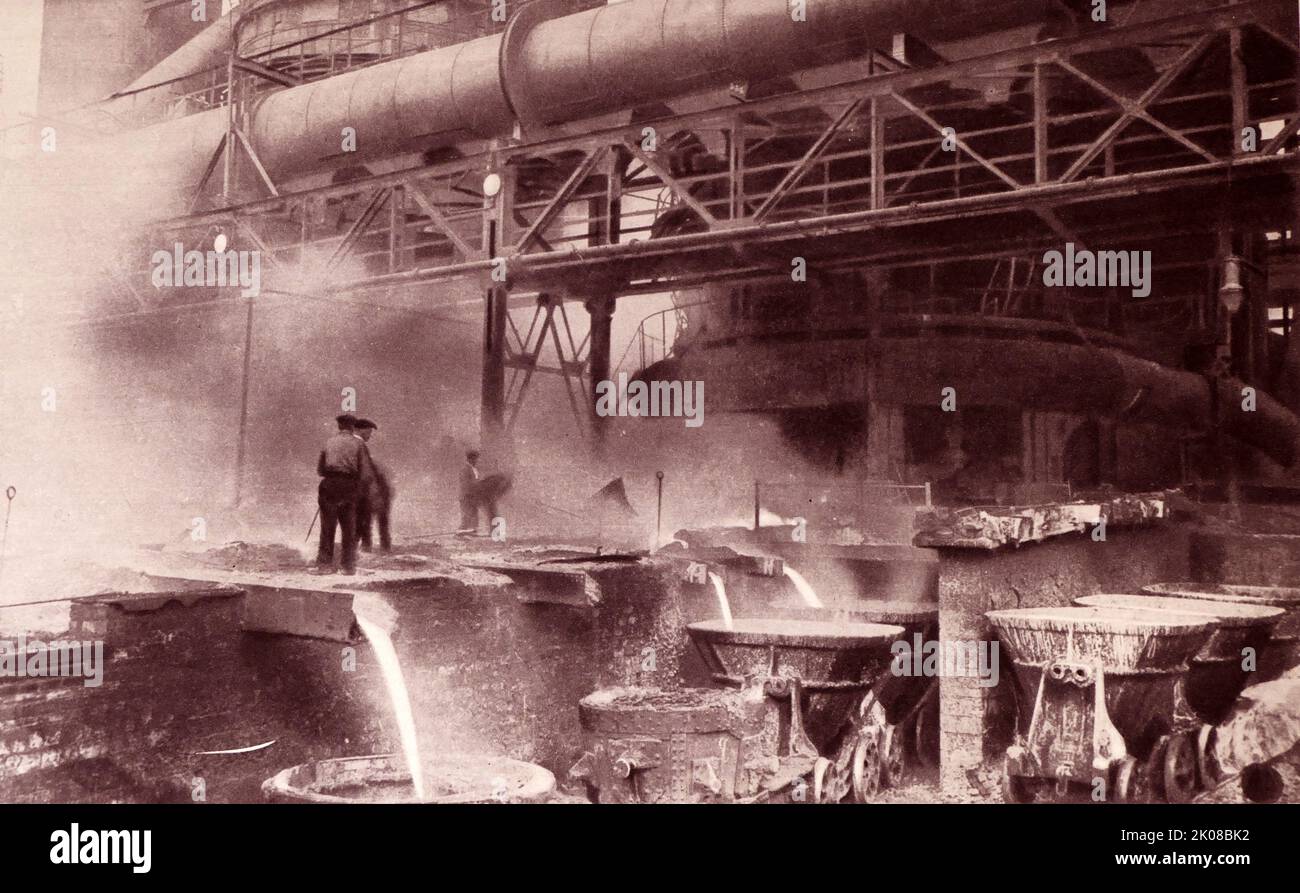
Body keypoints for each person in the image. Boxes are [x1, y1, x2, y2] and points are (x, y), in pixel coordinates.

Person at [314, 413, 370, 574]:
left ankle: (324, 566)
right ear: (352, 427)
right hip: (349, 486)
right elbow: (364, 471)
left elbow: (320, 470)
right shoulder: (358, 444)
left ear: (339, 426)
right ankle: (347, 567)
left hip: (329, 484)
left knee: (327, 526)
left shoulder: (328, 442)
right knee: (349, 527)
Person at [354, 418, 393, 552]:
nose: (370, 435)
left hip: (364, 489)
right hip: (366, 489)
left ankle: (365, 548)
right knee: (367, 520)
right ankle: (372, 548)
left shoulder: (356, 444)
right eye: (368, 431)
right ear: (360, 430)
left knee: (364, 520)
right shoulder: (357, 444)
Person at [458, 449, 482, 535]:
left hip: (473, 496)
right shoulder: (465, 469)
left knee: (474, 514)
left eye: (476, 459)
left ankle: (472, 532)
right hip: (466, 496)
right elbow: (465, 484)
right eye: (475, 459)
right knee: (467, 515)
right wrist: (471, 494)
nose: (476, 461)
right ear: (470, 459)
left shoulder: (473, 469)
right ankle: (460, 533)